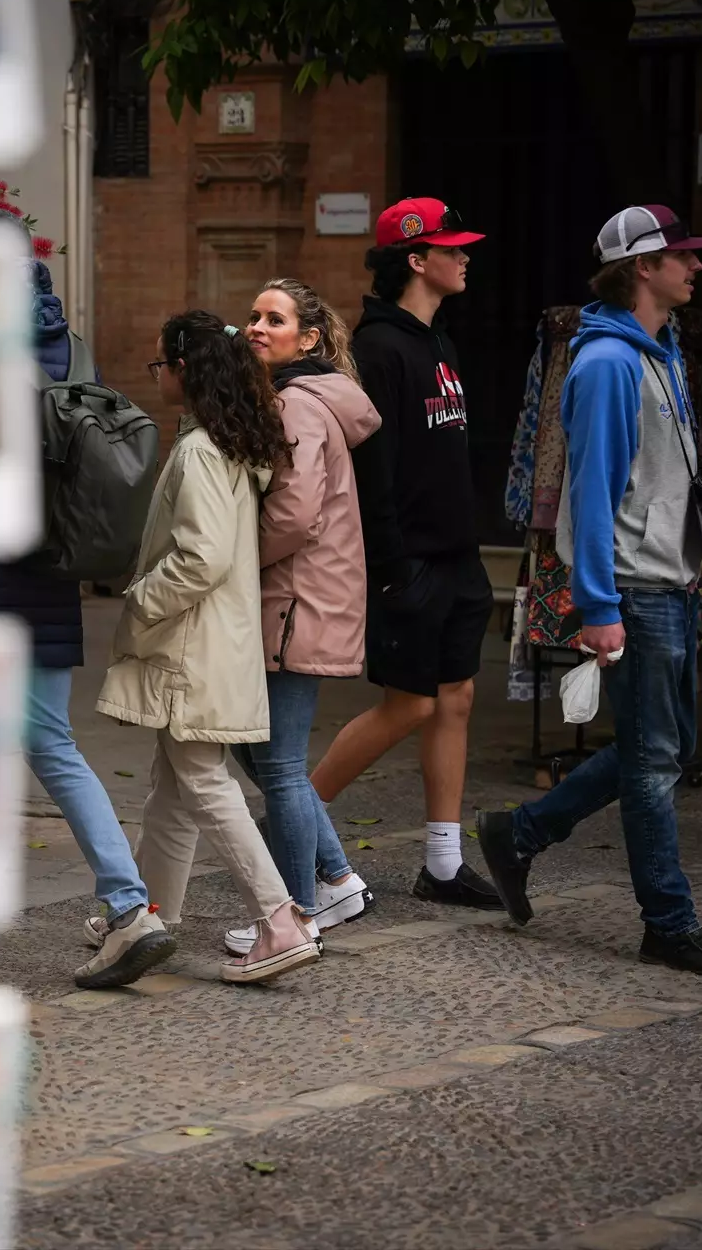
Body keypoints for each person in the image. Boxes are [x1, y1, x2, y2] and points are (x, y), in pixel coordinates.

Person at [477, 205, 702, 977]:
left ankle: (520, 833)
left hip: (665, 582)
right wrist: (597, 606)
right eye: (683, 256)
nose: (697, 266)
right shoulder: (608, 364)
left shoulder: (659, 350)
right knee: (652, 765)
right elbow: (595, 492)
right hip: (635, 589)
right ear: (642, 266)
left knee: (661, 748)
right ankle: (668, 923)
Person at [0, 244, 177, 989]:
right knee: (46, 744)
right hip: (52, 579)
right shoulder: (73, 353)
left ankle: (122, 911)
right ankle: (128, 909)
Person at [96, 309, 321, 986]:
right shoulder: (227, 443)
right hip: (213, 644)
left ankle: (280, 920)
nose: (157, 377)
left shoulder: (198, 451)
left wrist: (138, 601)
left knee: (202, 784)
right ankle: (146, 915)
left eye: (160, 366)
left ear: (184, 371)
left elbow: (199, 559)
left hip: (191, 649)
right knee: (175, 787)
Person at [307, 198, 503, 910]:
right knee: (409, 706)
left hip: (457, 558)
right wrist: (391, 570)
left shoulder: (439, 344)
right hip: (410, 563)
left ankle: (444, 864)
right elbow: (373, 471)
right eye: (453, 248)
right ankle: (292, 828)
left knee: (455, 699)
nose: (465, 257)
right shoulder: (379, 349)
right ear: (417, 259)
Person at [222, 279, 381, 958]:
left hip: (293, 602)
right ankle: (338, 879)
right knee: (251, 751)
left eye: (274, 319)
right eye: (253, 315)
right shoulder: (307, 399)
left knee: (279, 764)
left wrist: (229, 561)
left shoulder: (295, 404)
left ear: (309, 339)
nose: (256, 326)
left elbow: (293, 513)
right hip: (301, 598)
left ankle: (297, 917)